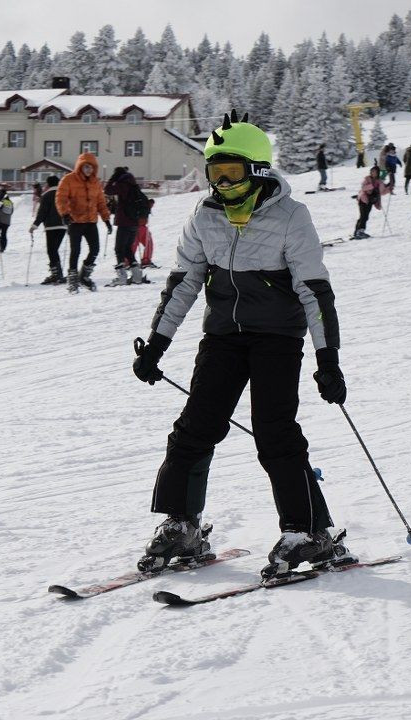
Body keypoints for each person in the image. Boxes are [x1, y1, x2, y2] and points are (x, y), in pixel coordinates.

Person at [130, 111, 355, 579]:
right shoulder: (205, 215)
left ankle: (307, 531)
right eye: (215, 173)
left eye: (231, 173)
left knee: (275, 434)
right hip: (223, 338)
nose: (222, 184)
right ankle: (181, 524)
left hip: (277, 338)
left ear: (257, 169)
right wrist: (157, 344)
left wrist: (327, 359)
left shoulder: (291, 216)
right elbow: (183, 283)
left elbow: (315, 290)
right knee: (194, 429)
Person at [55, 152, 112, 293]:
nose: (88, 170)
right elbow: (61, 197)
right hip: (75, 221)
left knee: (95, 249)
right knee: (76, 250)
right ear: (80, 167)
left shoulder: (95, 183)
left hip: (91, 221)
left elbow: (101, 203)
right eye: (86, 166)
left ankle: (84, 276)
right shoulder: (68, 180)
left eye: (91, 167)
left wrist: (106, 220)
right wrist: (65, 214)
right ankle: (73, 280)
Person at [105, 166, 150, 285]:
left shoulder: (123, 185)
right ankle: (136, 276)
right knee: (127, 249)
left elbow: (107, 190)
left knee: (119, 249)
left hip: (124, 222)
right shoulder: (133, 185)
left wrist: (112, 178)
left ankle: (122, 277)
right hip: (134, 223)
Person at [29, 175, 67, 285]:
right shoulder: (63, 195)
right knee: (54, 250)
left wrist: (34, 226)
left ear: (48, 184)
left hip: (51, 226)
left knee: (51, 250)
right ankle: (58, 274)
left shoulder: (46, 195)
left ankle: (56, 275)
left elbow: (42, 213)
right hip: (63, 226)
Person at [354, 164, 384, 239]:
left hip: (371, 201)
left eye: (374, 172)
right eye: (372, 171)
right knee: (363, 216)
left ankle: (358, 231)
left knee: (365, 216)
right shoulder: (367, 179)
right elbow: (363, 187)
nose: (373, 173)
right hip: (363, 199)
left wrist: (389, 187)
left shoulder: (379, 181)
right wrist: (372, 186)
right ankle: (360, 231)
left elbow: (382, 191)